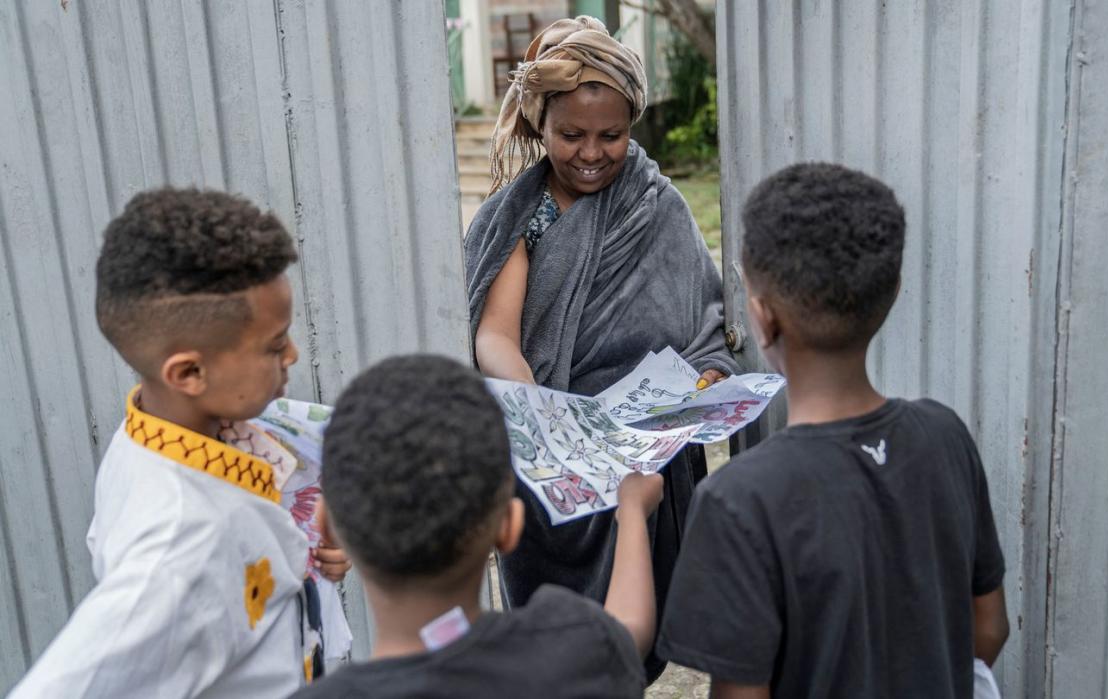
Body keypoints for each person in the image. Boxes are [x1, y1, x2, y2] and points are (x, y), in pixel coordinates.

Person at [657, 163, 1010, 697]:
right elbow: (990, 628)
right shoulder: (945, 436)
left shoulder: (737, 499)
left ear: (762, 316)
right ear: (891, 294)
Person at [464, 16, 737, 679]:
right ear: (541, 128)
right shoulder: (524, 217)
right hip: (554, 452)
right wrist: (550, 419)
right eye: (571, 135)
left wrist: (699, 383)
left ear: (632, 127)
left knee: (632, 637)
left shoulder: (657, 205)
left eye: (610, 135)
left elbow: (700, 324)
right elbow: (495, 337)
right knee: (556, 649)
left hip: (643, 455)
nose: (591, 151)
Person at [11, 189, 350, 698]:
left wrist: (300, 559)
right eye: (275, 345)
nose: (294, 354)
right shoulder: (179, 551)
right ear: (189, 372)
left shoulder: (157, 431)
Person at [290, 354, 664, 698]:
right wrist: (630, 513)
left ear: (325, 524)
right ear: (509, 527)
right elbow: (629, 632)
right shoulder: (567, 653)